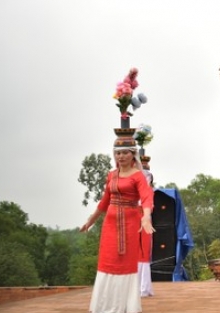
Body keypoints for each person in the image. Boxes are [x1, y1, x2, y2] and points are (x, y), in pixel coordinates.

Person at [80, 129, 155, 313]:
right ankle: (104, 305)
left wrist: (146, 215)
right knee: (107, 261)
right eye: (118, 153)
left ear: (133, 154)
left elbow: (146, 197)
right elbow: (104, 201)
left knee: (125, 264)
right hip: (110, 225)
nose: (121, 156)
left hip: (129, 225)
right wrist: (91, 220)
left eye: (125, 153)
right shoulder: (111, 175)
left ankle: (124, 306)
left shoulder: (138, 175)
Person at [138, 169, 155, 297]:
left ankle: (143, 287)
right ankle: (139, 287)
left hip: (144, 221)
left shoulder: (148, 191)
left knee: (143, 253)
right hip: (133, 221)